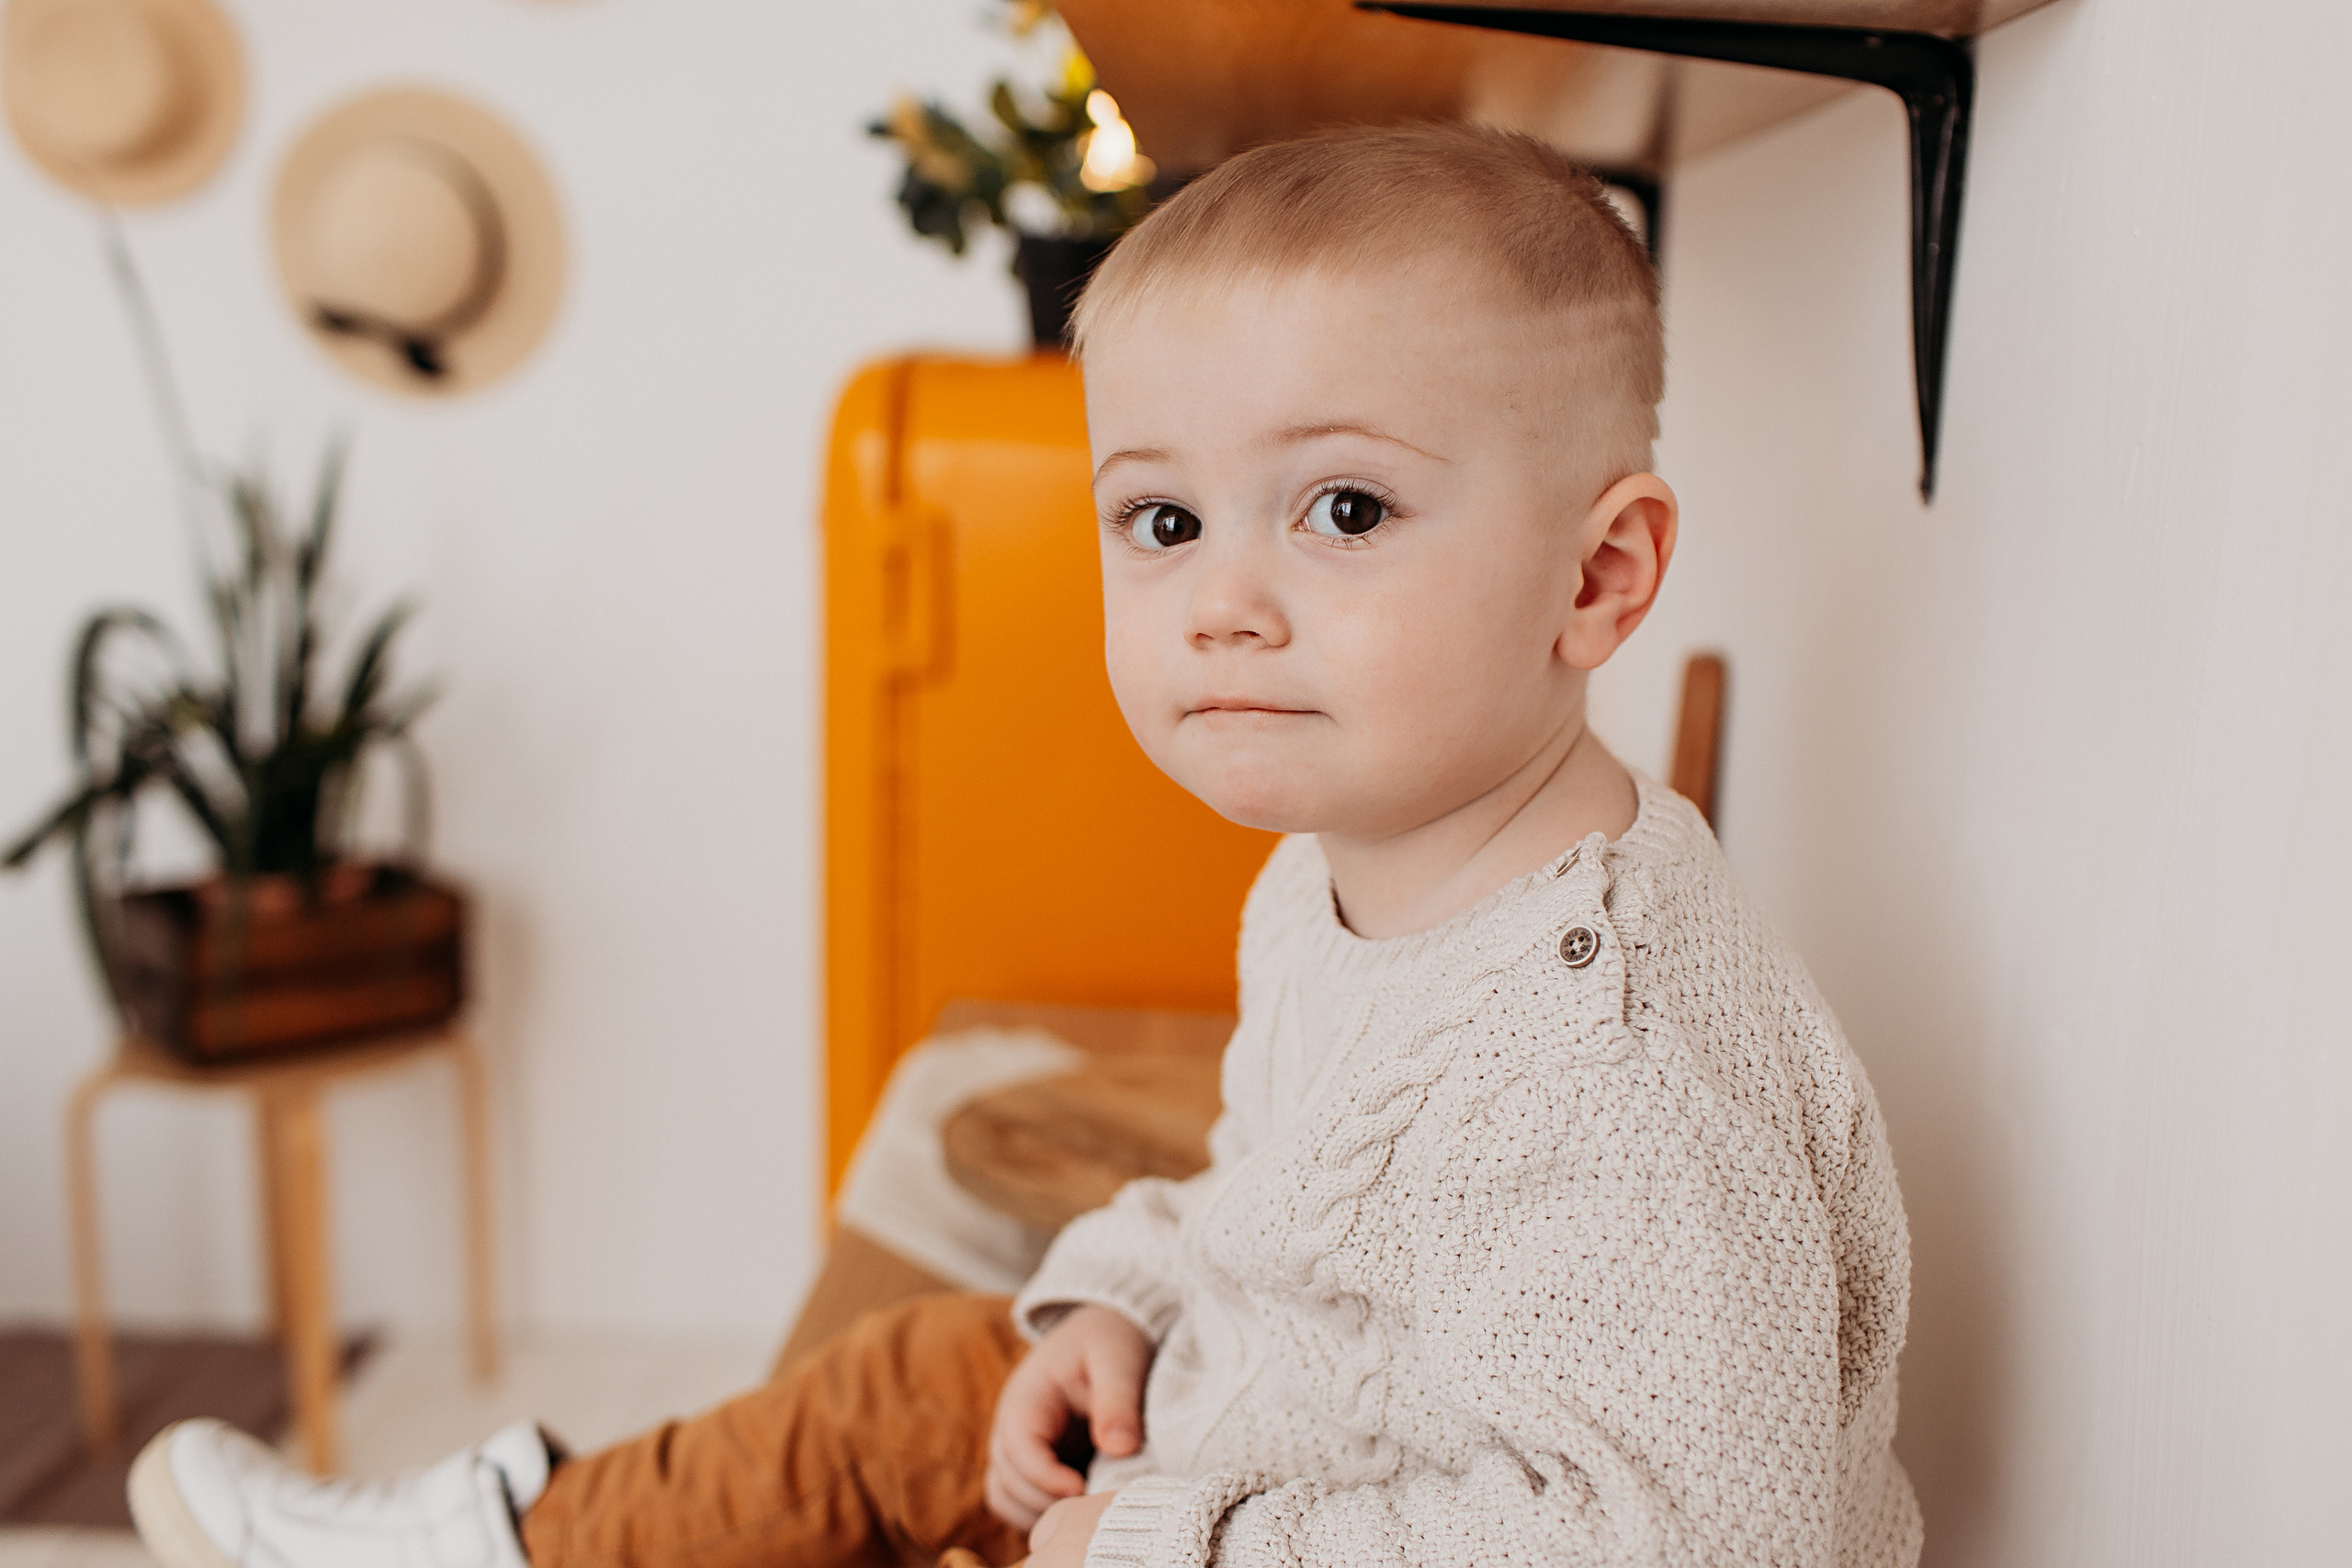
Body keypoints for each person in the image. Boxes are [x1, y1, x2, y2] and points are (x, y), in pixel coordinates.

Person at [126, 120, 1921, 1568]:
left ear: (1595, 575)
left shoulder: (1605, 1055)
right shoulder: (1342, 875)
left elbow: (1692, 1530)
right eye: (1158, 515)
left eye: (1343, 507)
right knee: (926, 1375)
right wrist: (1130, 1305)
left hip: (1289, 1514)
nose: (1220, 599)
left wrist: (1165, 1537)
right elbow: (1281, 1206)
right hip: (1265, 1443)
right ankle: (510, 1532)